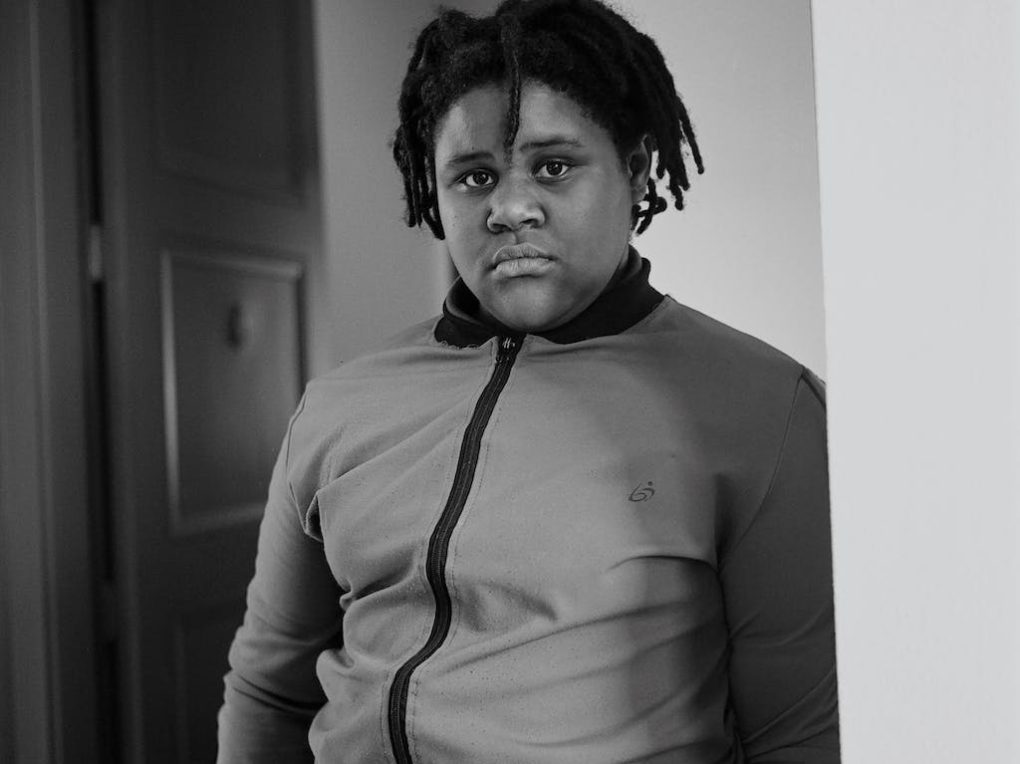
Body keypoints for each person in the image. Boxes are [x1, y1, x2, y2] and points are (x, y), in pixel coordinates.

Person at [217, 0, 840, 761]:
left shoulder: (765, 408)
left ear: (636, 171)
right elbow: (269, 691)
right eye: (475, 176)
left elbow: (800, 737)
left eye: (553, 166)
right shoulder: (337, 407)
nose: (510, 208)